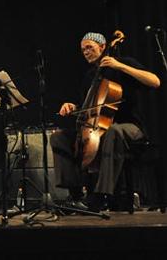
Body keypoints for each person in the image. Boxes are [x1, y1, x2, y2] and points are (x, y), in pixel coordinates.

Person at [51, 32, 161, 212]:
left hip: (130, 127)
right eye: (83, 49)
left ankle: (101, 196)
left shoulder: (122, 63)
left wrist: (121, 66)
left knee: (112, 131)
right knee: (58, 137)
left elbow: (155, 81)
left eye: (89, 47)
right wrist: (73, 107)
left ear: (102, 47)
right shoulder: (90, 76)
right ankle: (75, 195)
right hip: (97, 128)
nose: (86, 52)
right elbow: (90, 108)